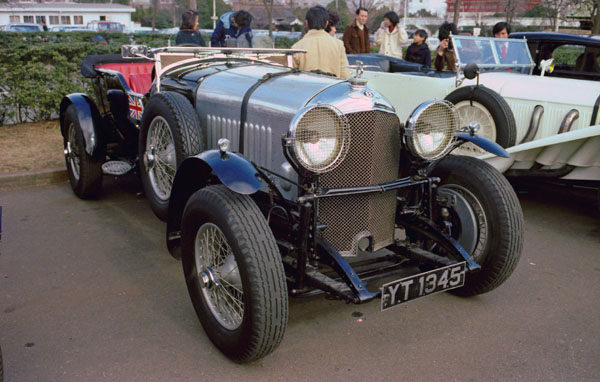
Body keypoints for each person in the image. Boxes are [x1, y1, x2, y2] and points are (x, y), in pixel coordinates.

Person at [292, 6, 350, 78]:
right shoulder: (338, 45)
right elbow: (345, 75)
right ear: (326, 23)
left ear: (306, 23)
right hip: (331, 88)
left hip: (307, 88)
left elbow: (292, 78)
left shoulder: (296, 47)